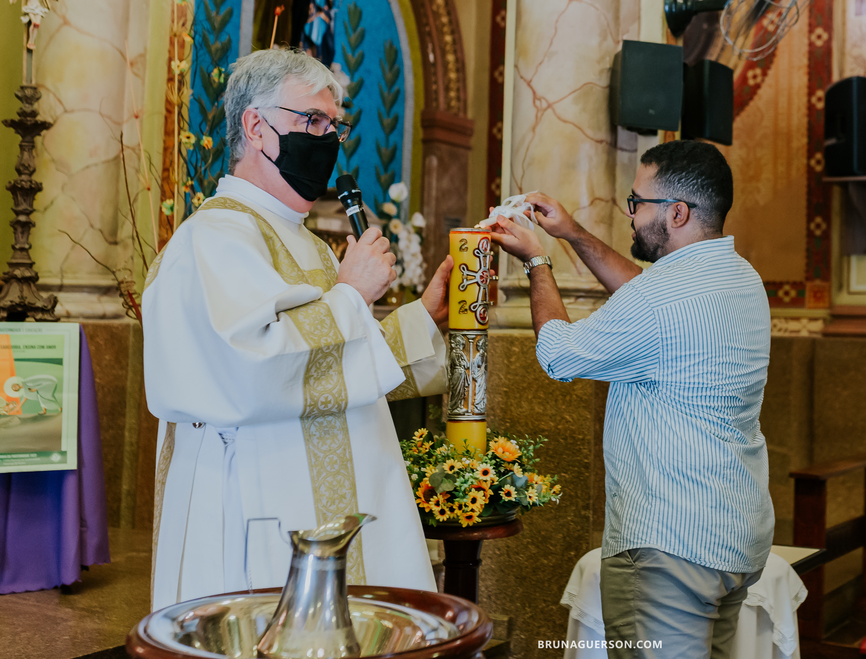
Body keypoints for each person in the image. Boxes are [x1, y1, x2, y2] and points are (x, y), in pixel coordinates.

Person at [142, 48, 452, 610]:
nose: (328, 138)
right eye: (312, 121)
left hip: (333, 501)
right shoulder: (210, 240)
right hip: (257, 506)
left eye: (335, 124)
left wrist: (424, 315)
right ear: (255, 127)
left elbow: (340, 366)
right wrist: (352, 296)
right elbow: (251, 368)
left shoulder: (307, 244)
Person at [489, 140, 774, 659]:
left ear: (678, 212)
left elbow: (559, 356)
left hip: (670, 549)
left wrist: (536, 262)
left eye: (637, 202)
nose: (631, 212)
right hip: (733, 535)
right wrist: (572, 233)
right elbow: (641, 292)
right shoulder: (740, 277)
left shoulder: (661, 298)